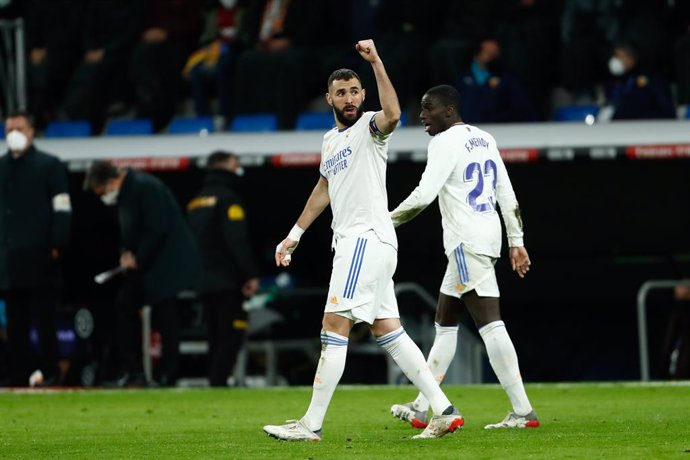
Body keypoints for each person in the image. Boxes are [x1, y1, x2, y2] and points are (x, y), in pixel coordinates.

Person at [263, 40, 464, 442]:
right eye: (342, 92)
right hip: (369, 245)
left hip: (363, 242)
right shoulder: (330, 142)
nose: (350, 97)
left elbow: (393, 114)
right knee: (388, 330)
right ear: (329, 98)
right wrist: (294, 234)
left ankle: (311, 424)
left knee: (333, 327)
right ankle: (443, 411)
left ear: (363, 95)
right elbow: (324, 188)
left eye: (355, 91)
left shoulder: (369, 127)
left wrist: (375, 62)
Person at [388, 85, 539, 430]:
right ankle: (421, 406)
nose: (422, 115)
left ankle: (522, 410)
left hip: (464, 241)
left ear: (450, 111)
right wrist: (516, 240)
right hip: (485, 236)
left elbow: (424, 194)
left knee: (490, 323)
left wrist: (385, 220)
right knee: (445, 321)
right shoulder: (485, 138)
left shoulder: (443, 142)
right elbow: (506, 192)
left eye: (428, 108)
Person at [84, 161, 200, 387]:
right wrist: (126, 252)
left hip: (167, 263)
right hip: (146, 264)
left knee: (166, 316)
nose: (104, 197)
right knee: (124, 304)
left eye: (103, 192)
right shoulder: (127, 193)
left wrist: (138, 256)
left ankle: (168, 374)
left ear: (111, 181)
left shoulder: (146, 187)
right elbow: (131, 229)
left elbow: (157, 227)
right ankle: (134, 372)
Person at [0, 111, 72, 386]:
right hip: (10, 259)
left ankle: (50, 371)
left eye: (18, 128)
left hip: (41, 256)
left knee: (45, 320)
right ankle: (18, 374)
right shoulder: (2, 166)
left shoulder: (49, 165)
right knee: (14, 325)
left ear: (31, 132)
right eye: (8, 129)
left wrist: (57, 244)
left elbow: (62, 208)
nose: (13, 134)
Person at [187, 151, 259, 387]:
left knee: (214, 337)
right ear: (226, 166)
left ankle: (213, 383)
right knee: (231, 336)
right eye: (235, 163)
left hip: (201, 280)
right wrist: (250, 274)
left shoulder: (195, 201)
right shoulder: (228, 199)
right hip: (226, 282)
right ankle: (217, 384)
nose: (239, 167)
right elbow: (236, 240)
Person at [455, 38, 537, 124]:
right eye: (488, 52)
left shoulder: (508, 79)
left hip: (499, 130)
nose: (493, 56)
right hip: (467, 129)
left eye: (496, 52)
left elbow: (523, 108)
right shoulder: (461, 77)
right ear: (476, 55)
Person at [605, 42, 676, 120]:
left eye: (619, 56)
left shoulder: (652, 79)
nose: (615, 60)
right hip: (620, 128)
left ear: (631, 58)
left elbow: (668, 111)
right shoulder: (616, 81)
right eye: (614, 56)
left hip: (648, 126)